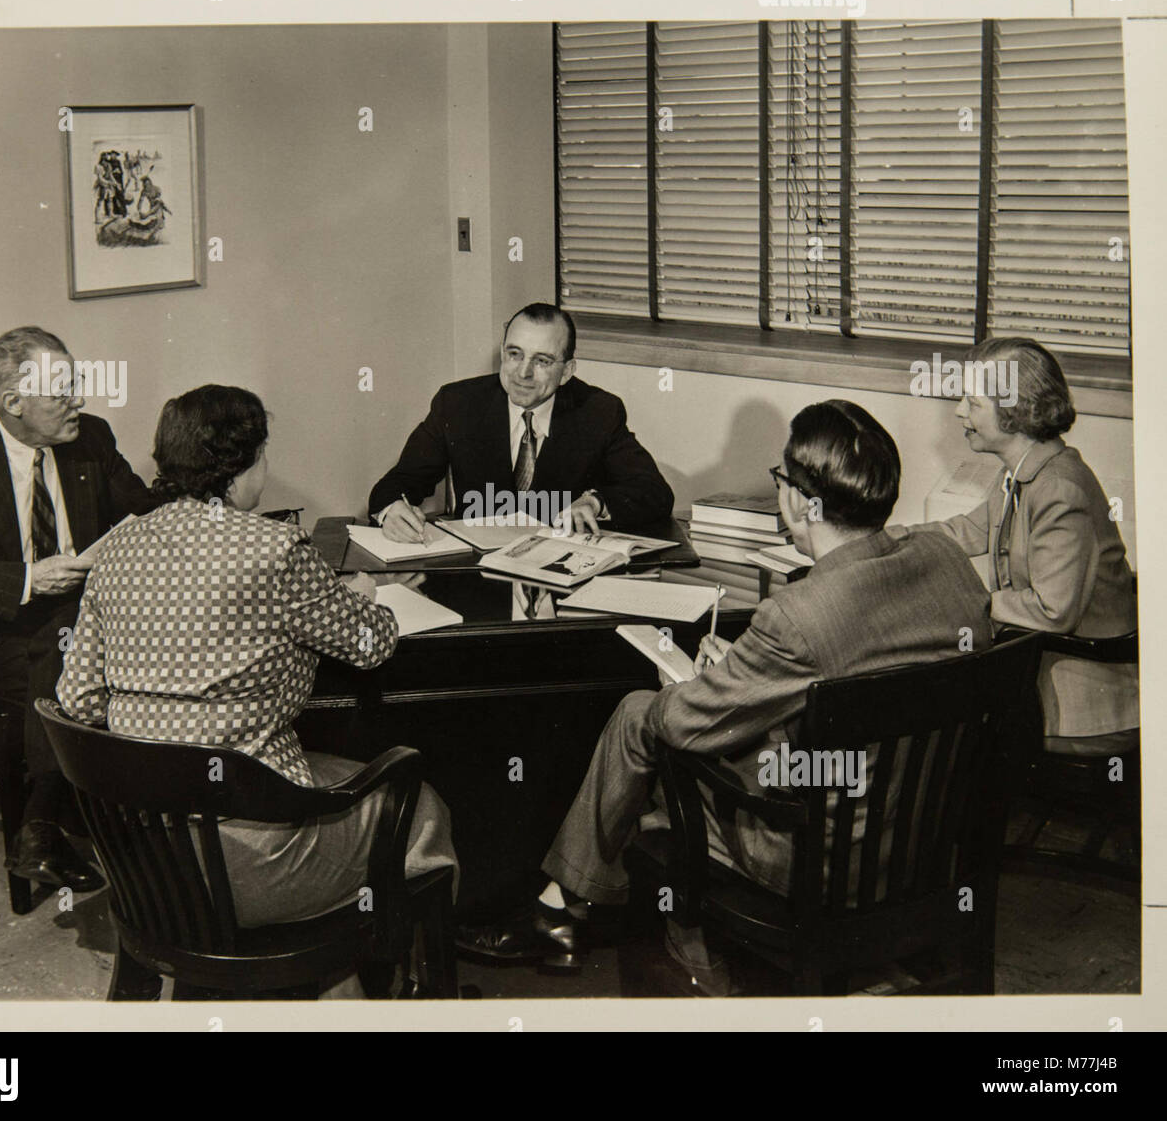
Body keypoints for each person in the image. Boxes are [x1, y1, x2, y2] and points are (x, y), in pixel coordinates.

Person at [455, 400, 992, 987]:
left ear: (796, 500)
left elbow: (686, 725)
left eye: (781, 479)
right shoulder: (945, 560)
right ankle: (574, 900)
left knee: (644, 717)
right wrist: (745, 671)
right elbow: (860, 662)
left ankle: (582, 911)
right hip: (928, 845)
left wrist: (690, 689)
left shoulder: (796, 614)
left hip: (818, 860)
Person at [56, 385, 457, 946]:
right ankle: (389, 976)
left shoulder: (117, 550)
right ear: (239, 465)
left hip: (145, 861)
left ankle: (336, 984)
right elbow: (368, 643)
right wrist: (367, 594)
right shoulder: (276, 548)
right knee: (424, 805)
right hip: (251, 867)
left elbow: (77, 701)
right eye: (263, 455)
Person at [0, 325, 156, 893]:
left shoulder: (91, 437)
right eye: (61, 389)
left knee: (80, 635)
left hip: (76, 626)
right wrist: (26, 579)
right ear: (12, 403)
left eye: (77, 384)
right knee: (71, 640)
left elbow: (140, 510)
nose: (79, 401)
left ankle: (48, 819)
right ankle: (67, 816)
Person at [915, 336, 1138, 754]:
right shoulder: (1028, 472)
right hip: (1043, 671)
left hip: (1080, 702)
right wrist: (876, 538)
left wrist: (970, 600)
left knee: (927, 711)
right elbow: (965, 530)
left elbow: (1054, 612)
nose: (960, 411)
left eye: (972, 402)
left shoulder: (1058, 488)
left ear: (1014, 414)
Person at [368, 302, 674, 539]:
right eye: (515, 354)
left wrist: (594, 503)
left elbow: (653, 492)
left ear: (567, 371)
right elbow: (399, 482)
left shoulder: (597, 411)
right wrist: (392, 510)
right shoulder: (458, 404)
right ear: (502, 353)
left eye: (542, 361)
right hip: (478, 578)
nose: (523, 373)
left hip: (559, 580)